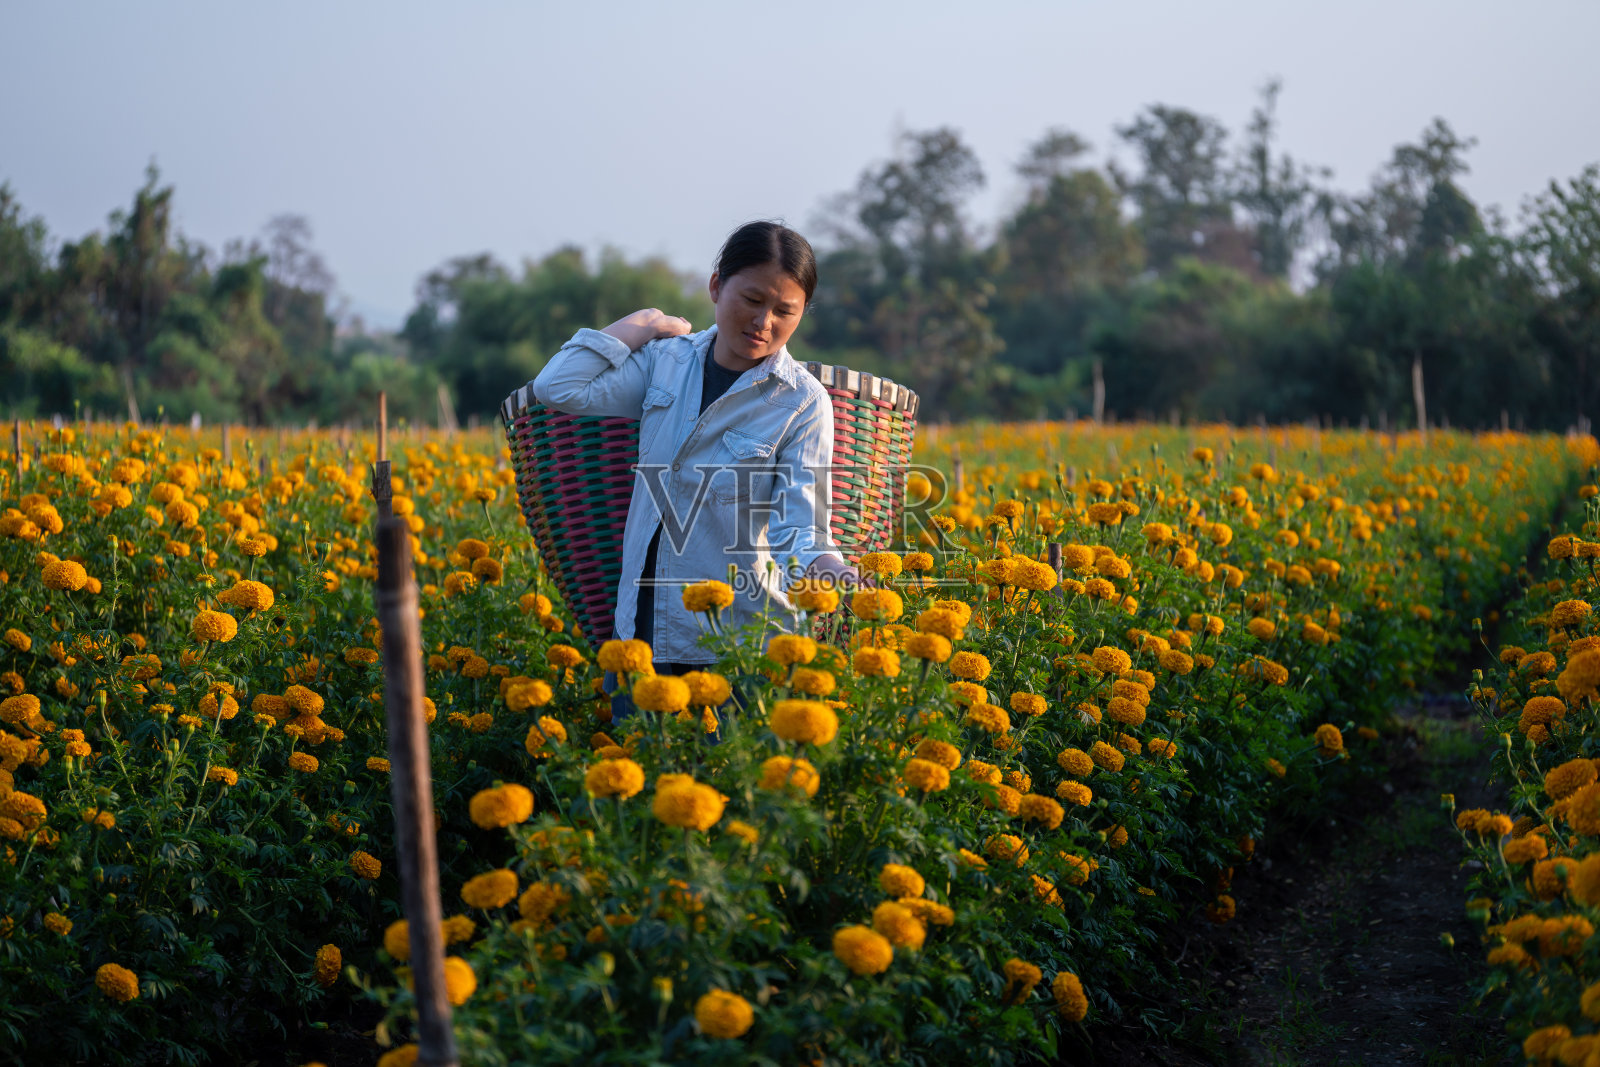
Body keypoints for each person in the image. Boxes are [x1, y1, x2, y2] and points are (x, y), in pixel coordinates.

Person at [530, 221, 858, 717]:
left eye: (784, 311)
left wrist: (834, 571)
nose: (763, 321)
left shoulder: (801, 402)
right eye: (751, 299)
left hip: (743, 642)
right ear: (715, 286)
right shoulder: (665, 362)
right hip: (643, 632)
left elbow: (802, 529)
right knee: (638, 782)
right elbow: (559, 387)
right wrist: (643, 325)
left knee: (733, 788)